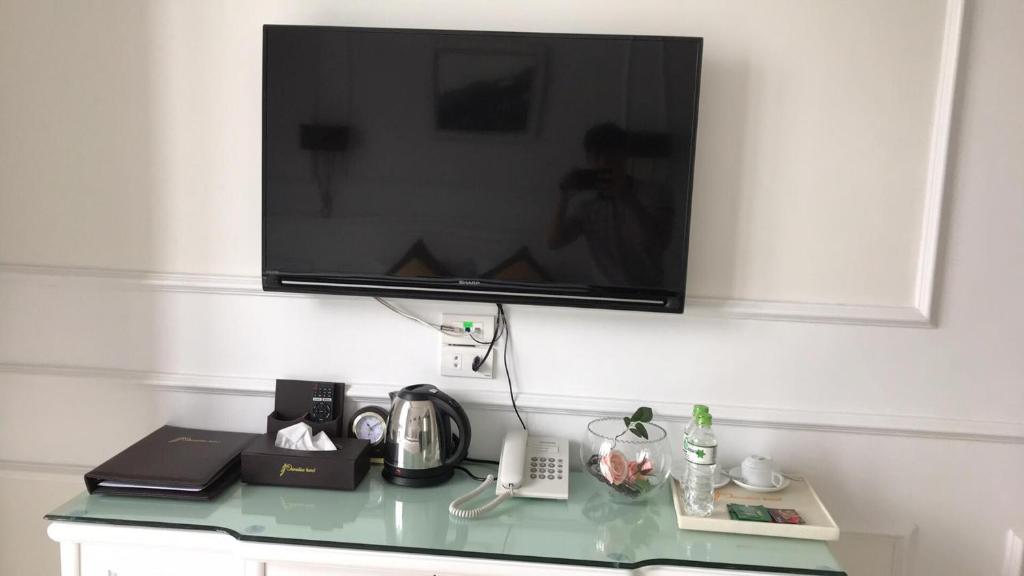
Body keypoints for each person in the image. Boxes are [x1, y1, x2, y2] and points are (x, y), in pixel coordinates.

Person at [547, 123, 672, 286]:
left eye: (611, 155)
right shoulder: (587, 209)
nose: (604, 162)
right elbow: (554, 243)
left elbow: (660, 244)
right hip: (604, 294)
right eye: (596, 157)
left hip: (649, 291)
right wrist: (564, 198)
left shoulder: (655, 193)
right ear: (589, 160)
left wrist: (626, 196)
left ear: (624, 155)